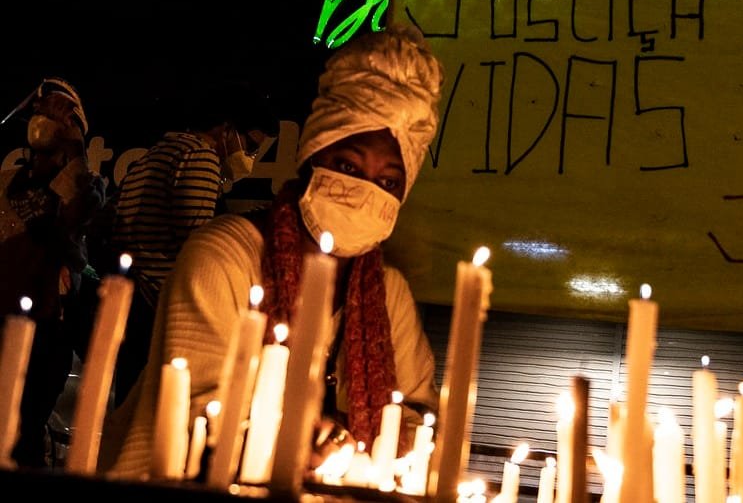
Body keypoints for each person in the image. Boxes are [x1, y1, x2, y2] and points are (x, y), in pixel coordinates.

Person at [98, 24, 444, 480]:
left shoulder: (388, 292)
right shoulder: (222, 257)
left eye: (388, 182)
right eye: (347, 165)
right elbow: (196, 416)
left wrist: (386, 448)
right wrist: (301, 441)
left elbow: (419, 419)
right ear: (312, 156)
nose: (364, 192)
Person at [107, 83, 278, 407]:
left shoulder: (155, 155)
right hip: (157, 305)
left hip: (134, 300)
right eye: (251, 146)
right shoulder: (200, 157)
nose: (251, 158)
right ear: (227, 129)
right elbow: (197, 248)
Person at [0, 77, 106, 468]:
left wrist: (75, 147)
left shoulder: (86, 186)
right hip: (2, 319)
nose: (45, 118)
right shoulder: (9, 180)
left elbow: (73, 218)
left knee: (24, 430)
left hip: (47, 329)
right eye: (42, 112)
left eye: (60, 114)